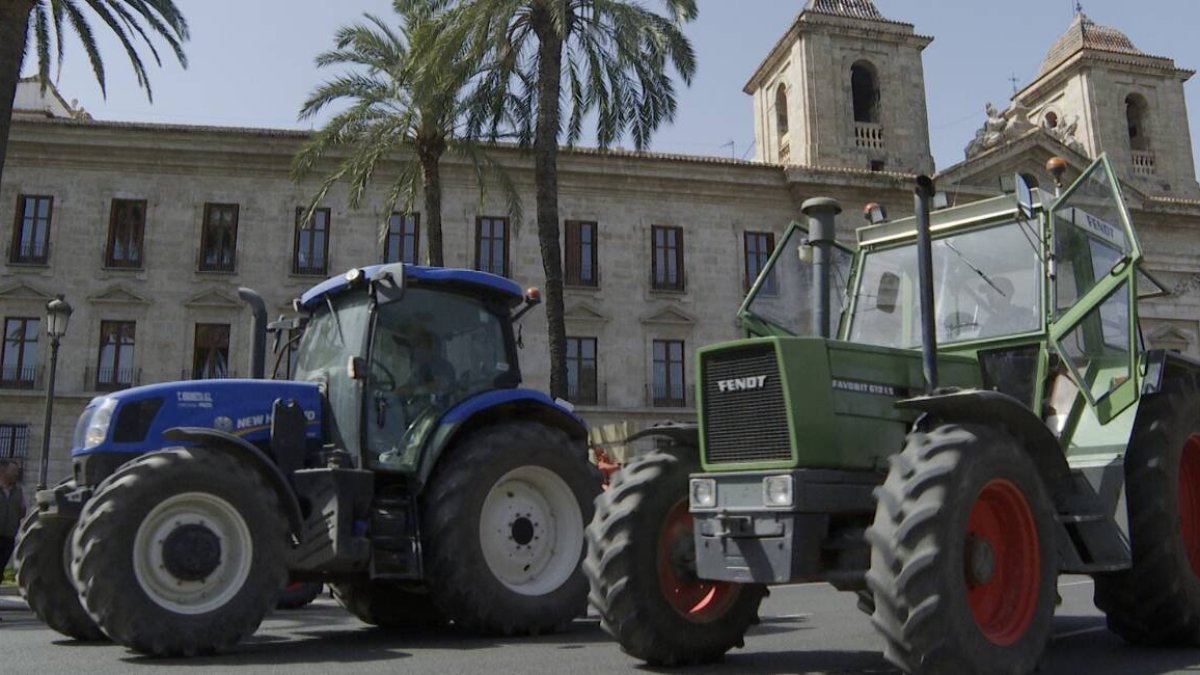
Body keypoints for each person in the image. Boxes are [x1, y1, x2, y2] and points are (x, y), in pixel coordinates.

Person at [0, 459, 26, 620]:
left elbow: (22, 511)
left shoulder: (18, 491)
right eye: (13, 470)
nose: (17, 473)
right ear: (2, 471)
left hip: (7, 537)